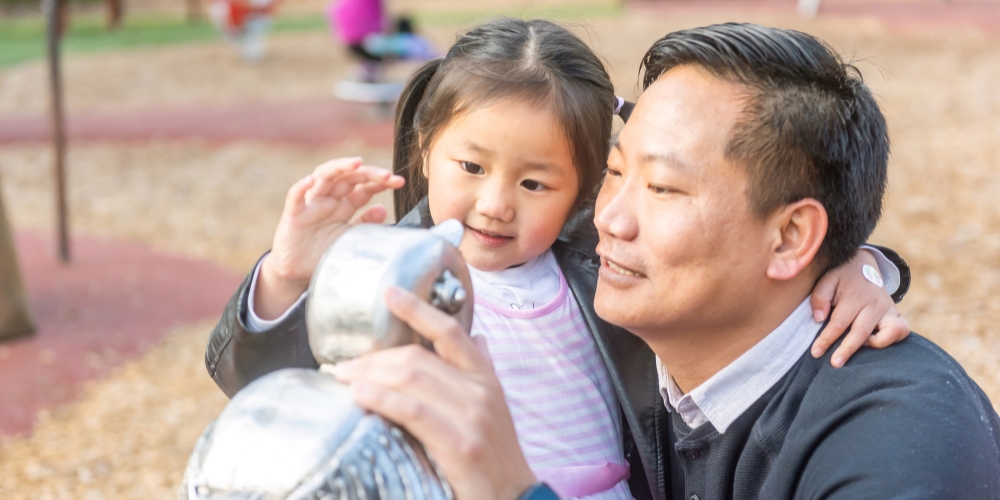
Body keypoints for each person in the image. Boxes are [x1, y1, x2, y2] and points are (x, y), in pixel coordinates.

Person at [206, 19, 913, 499]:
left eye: (535, 183)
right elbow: (268, 386)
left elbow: (747, 242)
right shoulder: (392, 270)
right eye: (471, 166)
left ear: (582, 187)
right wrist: (290, 275)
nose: (495, 204)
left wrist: (859, 265)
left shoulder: (591, 259)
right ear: (426, 149)